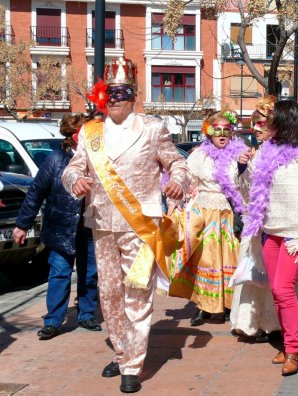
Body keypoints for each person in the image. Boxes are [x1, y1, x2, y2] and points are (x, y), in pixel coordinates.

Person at [61, 57, 190, 393]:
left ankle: (132, 365)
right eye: (109, 92)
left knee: (137, 291)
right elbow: (73, 168)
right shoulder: (90, 132)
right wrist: (74, 181)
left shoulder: (152, 127)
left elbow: (177, 162)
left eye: (122, 91)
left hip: (140, 223)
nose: (115, 98)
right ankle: (121, 351)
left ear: (134, 96)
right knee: (110, 294)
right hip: (102, 223)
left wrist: (177, 182)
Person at [238, 100, 298, 376]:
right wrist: (243, 167)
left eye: (270, 119)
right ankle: (288, 342)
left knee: (284, 290)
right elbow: (251, 188)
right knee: (276, 290)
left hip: (295, 235)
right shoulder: (265, 149)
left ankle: (293, 349)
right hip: (270, 231)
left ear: (284, 121)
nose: (265, 124)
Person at [13, 113, 100, 340]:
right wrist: (22, 225)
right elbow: (35, 194)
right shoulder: (55, 160)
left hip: (89, 228)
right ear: (75, 137)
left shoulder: (98, 159)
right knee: (60, 274)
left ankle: (87, 314)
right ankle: (53, 320)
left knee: (90, 274)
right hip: (61, 228)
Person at [168, 111, 246, 325]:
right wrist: (175, 198)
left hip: (229, 212)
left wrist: (243, 166)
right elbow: (187, 181)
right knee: (204, 259)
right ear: (208, 133)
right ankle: (204, 306)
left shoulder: (239, 155)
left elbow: (246, 184)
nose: (221, 135)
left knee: (230, 258)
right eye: (216, 130)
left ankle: (230, 305)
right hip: (204, 211)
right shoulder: (198, 156)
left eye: (226, 131)